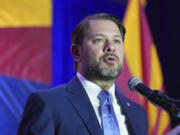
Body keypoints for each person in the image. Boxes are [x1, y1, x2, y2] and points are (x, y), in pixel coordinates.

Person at [17, 13, 149, 135]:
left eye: (117, 41)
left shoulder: (138, 114)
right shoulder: (48, 104)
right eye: (99, 40)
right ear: (76, 53)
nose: (111, 47)